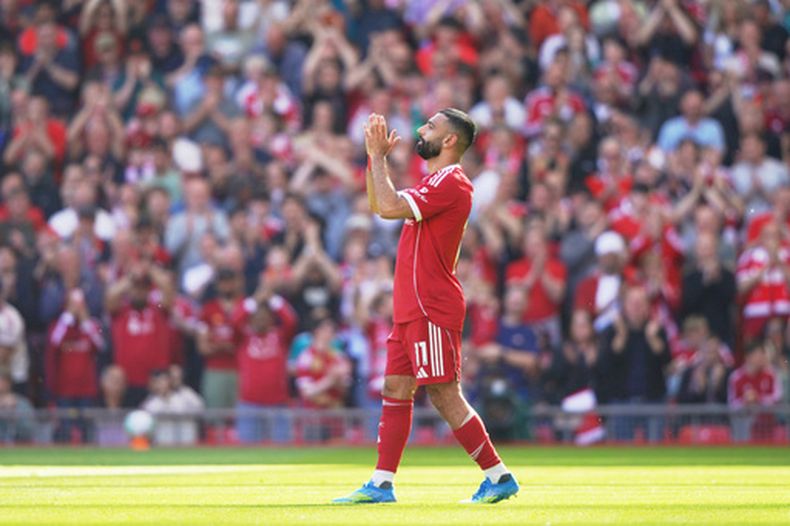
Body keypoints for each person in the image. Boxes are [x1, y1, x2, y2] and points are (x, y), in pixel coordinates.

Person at [333, 110, 519, 504]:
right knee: (395, 387)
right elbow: (378, 203)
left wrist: (377, 157)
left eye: (431, 126)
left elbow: (385, 206)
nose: (421, 129)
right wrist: (374, 158)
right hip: (410, 308)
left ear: (450, 140)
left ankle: (498, 474)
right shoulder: (435, 182)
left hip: (431, 305)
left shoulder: (453, 183)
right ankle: (382, 483)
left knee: (443, 393)